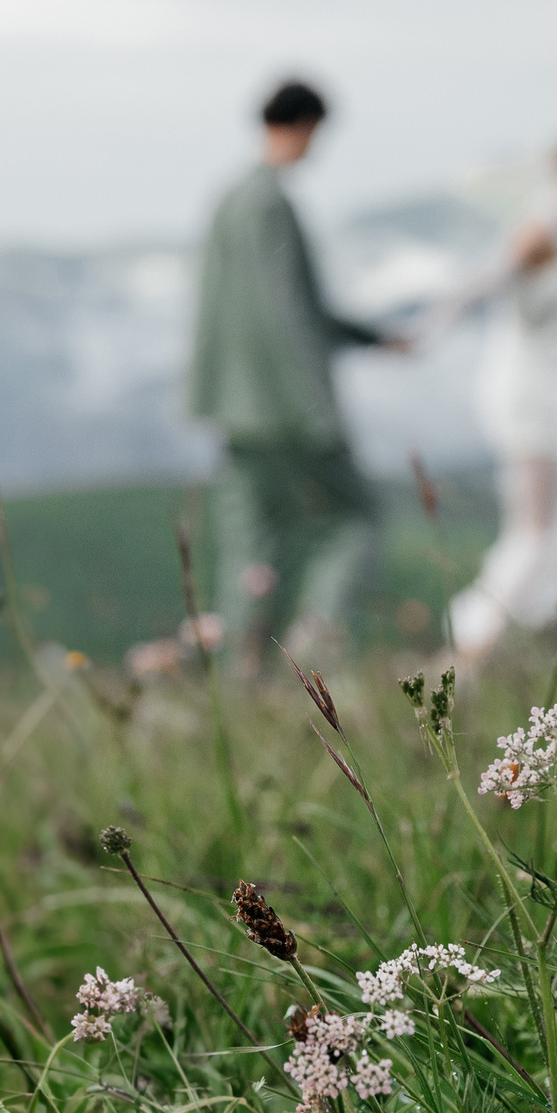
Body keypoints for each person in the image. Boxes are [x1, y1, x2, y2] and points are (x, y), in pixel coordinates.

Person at [187, 79, 401, 672]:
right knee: (355, 519)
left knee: (252, 545)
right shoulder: (271, 205)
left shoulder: (230, 198)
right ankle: (317, 650)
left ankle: (242, 675)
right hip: (284, 408)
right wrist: (318, 410)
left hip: (234, 408)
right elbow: (285, 314)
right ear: (304, 126)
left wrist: (372, 338)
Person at [422, 146, 557, 658]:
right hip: (528, 396)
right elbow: (484, 278)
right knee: (535, 532)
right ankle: (470, 644)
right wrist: (427, 330)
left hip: (547, 392)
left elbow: (548, 318)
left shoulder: (555, 227)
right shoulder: (542, 228)